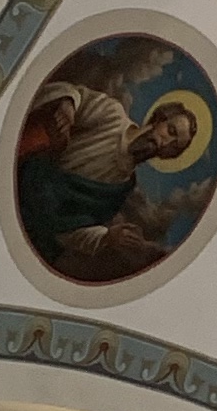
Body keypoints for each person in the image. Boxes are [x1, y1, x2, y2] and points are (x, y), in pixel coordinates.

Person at [13, 56, 204, 278]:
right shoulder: (112, 116)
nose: (166, 143)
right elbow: (73, 93)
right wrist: (67, 106)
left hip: (33, 230)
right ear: (158, 119)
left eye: (175, 146)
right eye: (170, 131)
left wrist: (107, 237)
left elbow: (73, 229)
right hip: (20, 182)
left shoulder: (123, 186)